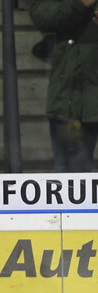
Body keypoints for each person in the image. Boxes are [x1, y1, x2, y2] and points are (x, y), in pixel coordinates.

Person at [30, 0, 98, 172]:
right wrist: (82, 3)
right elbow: (42, 15)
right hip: (71, 101)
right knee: (72, 182)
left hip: (79, 95)